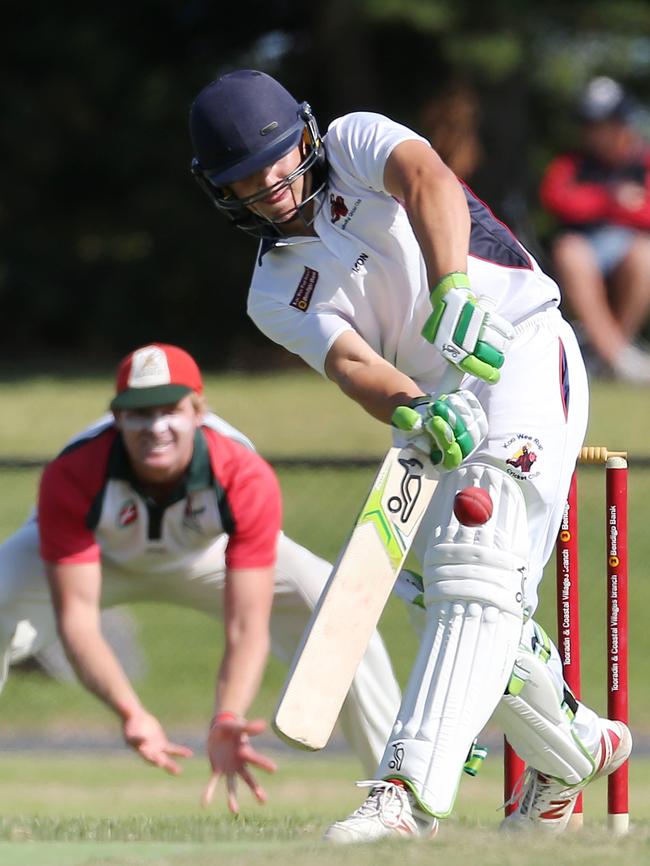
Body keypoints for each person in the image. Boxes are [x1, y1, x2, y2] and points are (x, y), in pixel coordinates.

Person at [187, 69, 632, 840]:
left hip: (514, 346)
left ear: (306, 132)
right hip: (431, 411)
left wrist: (454, 288)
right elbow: (353, 364)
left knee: (476, 561)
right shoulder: (271, 290)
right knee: (454, 596)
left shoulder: (358, 140)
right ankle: (576, 750)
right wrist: (415, 406)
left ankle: (404, 796)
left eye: (279, 157)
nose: (270, 183)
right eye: (244, 178)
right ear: (218, 188)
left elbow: (427, 178)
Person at [0, 342, 401, 813]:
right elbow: (78, 622)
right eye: (139, 413)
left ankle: (397, 796)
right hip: (97, 558)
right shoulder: (75, 471)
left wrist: (226, 716)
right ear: (116, 418)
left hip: (207, 554)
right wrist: (131, 714)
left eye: (170, 410)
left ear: (198, 410)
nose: (155, 427)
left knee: (339, 608)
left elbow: (246, 626)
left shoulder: (241, 472)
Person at [540, 75, 650, 383]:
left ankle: (610, 353)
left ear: (621, 122)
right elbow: (557, 199)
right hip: (583, 248)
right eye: (589, 124)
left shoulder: (643, 160)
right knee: (571, 252)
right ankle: (618, 357)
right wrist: (613, 200)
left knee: (645, 254)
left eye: (601, 123)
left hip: (629, 248)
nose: (593, 132)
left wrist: (601, 204)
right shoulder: (573, 163)